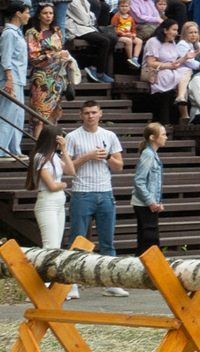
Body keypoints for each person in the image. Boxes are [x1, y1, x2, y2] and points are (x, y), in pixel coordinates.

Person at [65, 102, 127, 295]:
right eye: (86, 113)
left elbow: (119, 167)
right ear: (81, 115)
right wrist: (87, 156)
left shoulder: (109, 136)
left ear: (100, 114)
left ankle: (110, 282)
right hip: (82, 192)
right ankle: (71, 283)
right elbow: (68, 169)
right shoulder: (72, 136)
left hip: (105, 192)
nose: (91, 116)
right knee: (78, 238)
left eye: (94, 112)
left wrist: (107, 156)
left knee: (107, 240)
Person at [0, 0, 32, 159]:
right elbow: (6, 58)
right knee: (7, 112)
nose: (28, 16)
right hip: (10, 78)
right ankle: (0, 151)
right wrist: (9, 79)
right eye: (27, 12)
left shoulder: (16, 32)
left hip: (18, 78)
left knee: (17, 114)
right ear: (18, 13)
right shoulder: (9, 33)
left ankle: (13, 149)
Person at [26, 125, 69, 254]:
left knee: (57, 244)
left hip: (59, 202)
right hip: (47, 202)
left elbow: (71, 170)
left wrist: (64, 150)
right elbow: (52, 186)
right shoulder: (39, 157)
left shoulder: (55, 156)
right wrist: (64, 185)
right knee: (51, 245)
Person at [132, 121, 167, 257]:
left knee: (145, 240)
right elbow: (139, 181)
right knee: (150, 240)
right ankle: (151, 270)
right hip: (144, 203)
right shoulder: (148, 154)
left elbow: (154, 183)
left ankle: (140, 268)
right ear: (153, 137)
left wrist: (157, 202)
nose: (166, 137)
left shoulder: (153, 154)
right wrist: (151, 202)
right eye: (163, 134)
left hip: (148, 203)